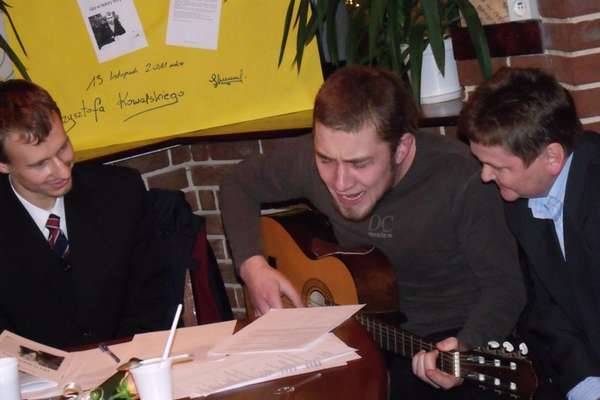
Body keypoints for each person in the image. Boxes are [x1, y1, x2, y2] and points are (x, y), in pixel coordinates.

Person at [220, 65, 526, 398]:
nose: (340, 182)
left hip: (438, 343)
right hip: (350, 333)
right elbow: (238, 184)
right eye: (325, 160)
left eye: (360, 164)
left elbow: (505, 287)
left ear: (402, 148)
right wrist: (253, 266)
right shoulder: (324, 155)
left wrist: (466, 344)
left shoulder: (463, 180)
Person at [463, 67, 600, 400]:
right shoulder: (522, 201)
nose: (485, 176)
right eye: (482, 163)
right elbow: (548, 308)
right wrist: (586, 386)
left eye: (498, 167)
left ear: (551, 157)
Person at [0, 79, 169, 349]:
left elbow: (154, 294)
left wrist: (127, 358)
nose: (62, 171)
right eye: (40, 164)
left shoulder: (120, 191)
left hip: (130, 358)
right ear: (4, 165)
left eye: (63, 148)